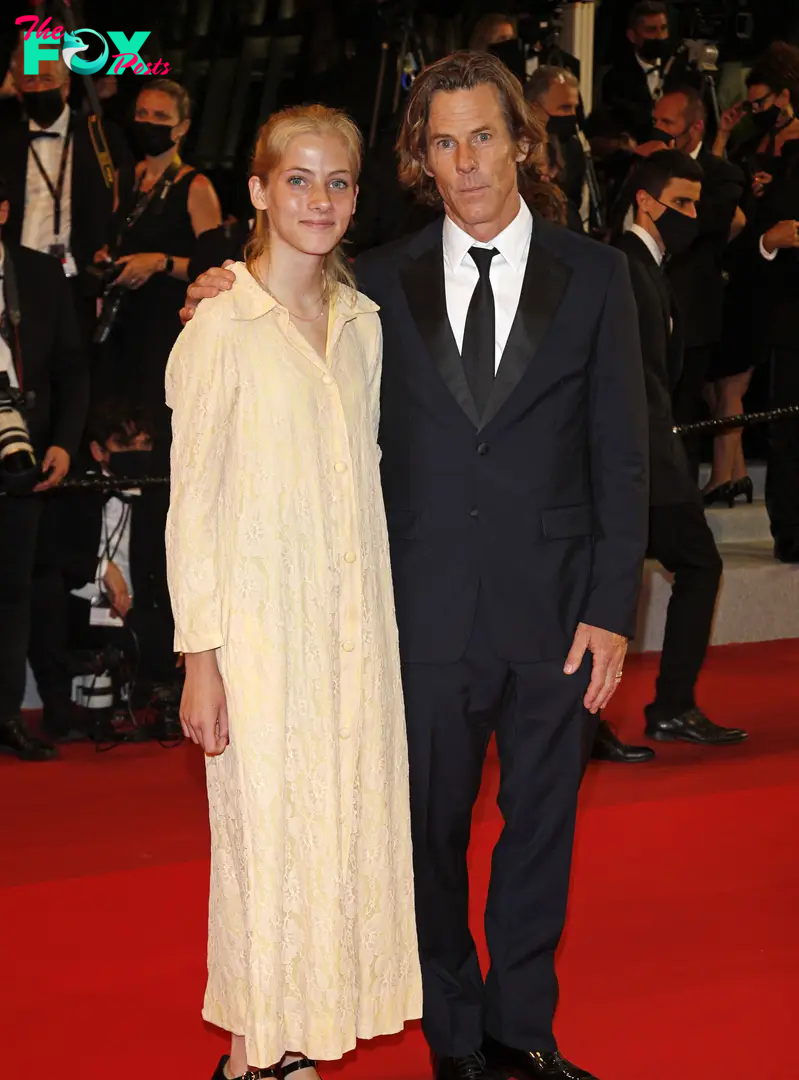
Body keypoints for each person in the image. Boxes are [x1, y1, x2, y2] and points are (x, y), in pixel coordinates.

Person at [185, 51, 650, 1080]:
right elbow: (284, 304)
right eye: (441, 143)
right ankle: (453, 1038)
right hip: (417, 620)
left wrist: (612, 606)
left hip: (556, 612)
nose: (465, 162)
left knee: (539, 837)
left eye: (483, 135)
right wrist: (222, 284)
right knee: (425, 842)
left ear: (521, 142)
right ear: (419, 159)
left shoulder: (600, 274)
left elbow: (625, 453)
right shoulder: (377, 283)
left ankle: (520, 1032)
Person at [167, 104, 422, 1080]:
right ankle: (260, 1055)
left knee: (335, 836)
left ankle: (276, 1050)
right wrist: (201, 659)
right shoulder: (219, 330)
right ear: (259, 191)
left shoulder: (364, 326)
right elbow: (191, 508)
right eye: (299, 179)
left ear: (358, 196)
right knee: (264, 848)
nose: (318, 199)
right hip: (256, 636)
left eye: (339, 181)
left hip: (353, 631)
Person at [614, 150, 748, 751]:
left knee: (620, 588)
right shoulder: (626, 267)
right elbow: (635, 383)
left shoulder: (646, 266)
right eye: (683, 202)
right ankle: (667, 706)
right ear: (646, 200)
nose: (693, 215)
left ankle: (637, 712)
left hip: (642, 462)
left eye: (697, 203)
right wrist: (658, 465)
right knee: (695, 566)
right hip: (641, 467)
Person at [0, 175, 89, 761]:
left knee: (12, 593)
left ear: (4, 209)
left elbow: (72, 367)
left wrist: (63, 442)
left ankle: (7, 716)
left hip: (23, 456)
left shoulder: (37, 273)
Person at [28, 399, 175, 742]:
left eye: (145, 444)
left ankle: (146, 698)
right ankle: (59, 709)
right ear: (97, 450)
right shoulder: (73, 490)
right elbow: (44, 551)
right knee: (43, 593)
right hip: (80, 604)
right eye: (124, 445)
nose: (138, 453)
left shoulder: (159, 493)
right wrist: (100, 568)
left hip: (136, 608)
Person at [94, 77, 221, 465]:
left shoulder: (196, 186)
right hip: (121, 325)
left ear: (181, 127)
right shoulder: (127, 177)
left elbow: (213, 269)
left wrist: (159, 263)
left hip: (164, 328)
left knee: (152, 434)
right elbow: (115, 236)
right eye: (142, 114)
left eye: (160, 116)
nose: (149, 122)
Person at [708, 43, 799, 559]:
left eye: (764, 102)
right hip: (773, 304)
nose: (757, 111)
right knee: (784, 422)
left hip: (782, 299)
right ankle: (789, 533)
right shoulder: (752, 145)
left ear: (787, 96)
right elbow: (731, 213)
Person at [0, 44, 132, 342]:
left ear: (66, 85)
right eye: (29, 81)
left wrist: (111, 246)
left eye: (46, 79)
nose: (38, 88)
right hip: (14, 281)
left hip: (77, 281)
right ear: (17, 88)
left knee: (73, 373)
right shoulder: (6, 141)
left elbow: (126, 200)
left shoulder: (101, 137)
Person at [649, 87, 746, 480]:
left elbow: (700, 227)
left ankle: (682, 518)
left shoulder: (722, 176)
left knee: (684, 422)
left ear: (696, 127)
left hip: (692, 318)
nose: (658, 129)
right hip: (647, 310)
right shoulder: (644, 166)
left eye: (667, 123)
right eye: (656, 121)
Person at [525, 66, 596, 233]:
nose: (572, 115)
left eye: (574, 108)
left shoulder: (573, 148)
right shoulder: (513, 152)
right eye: (564, 108)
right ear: (535, 107)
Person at [602, 1, 672, 142]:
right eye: (651, 30)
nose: (659, 36)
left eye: (663, 29)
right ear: (632, 36)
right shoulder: (615, 78)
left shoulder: (680, 70)